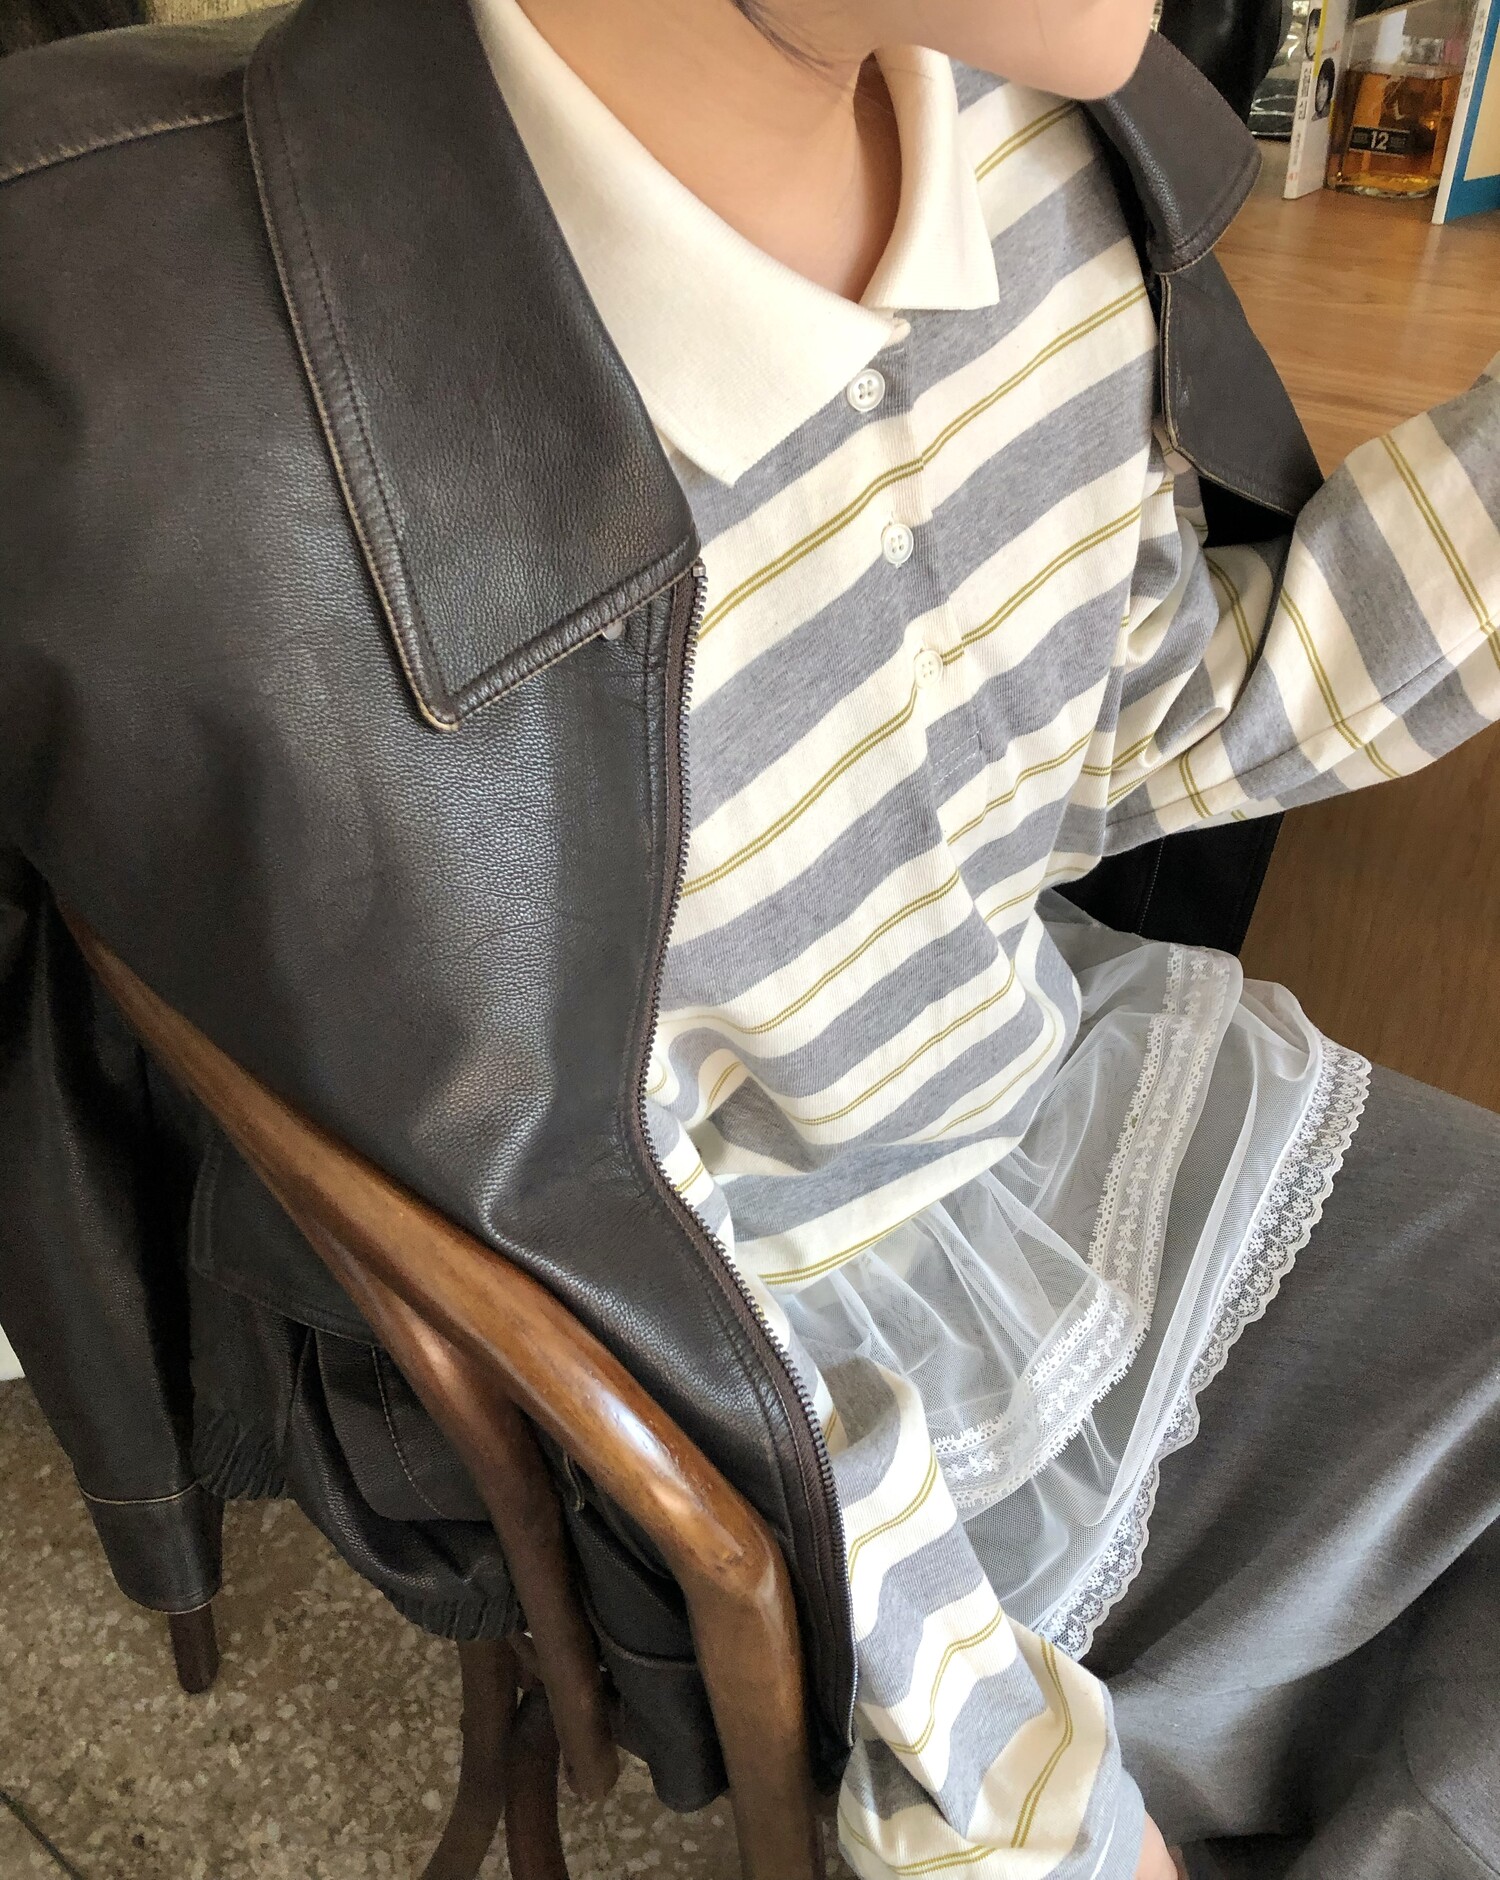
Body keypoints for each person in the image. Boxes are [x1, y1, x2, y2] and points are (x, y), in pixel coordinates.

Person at [0, 3, 1494, 1879]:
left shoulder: (1035, 140)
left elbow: (1114, 728)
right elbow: (610, 1241)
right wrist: (1020, 1778)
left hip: (1074, 1099)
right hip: (769, 1401)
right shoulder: (211, 391)